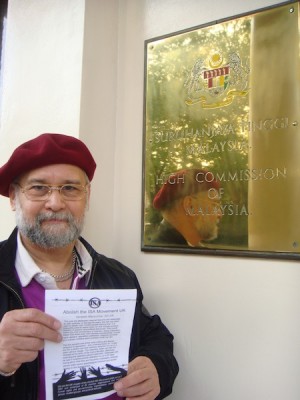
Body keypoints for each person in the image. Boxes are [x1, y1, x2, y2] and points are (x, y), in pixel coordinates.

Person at [0, 133, 179, 400]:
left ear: (87, 196)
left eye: (70, 188)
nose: (56, 203)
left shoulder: (118, 276)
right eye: (38, 188)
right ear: (14, 197)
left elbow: (154, 335)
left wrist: (157, 368)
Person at [151, 169, 222, 247]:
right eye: (214, 205)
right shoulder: (168, 254)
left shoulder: (165, 249)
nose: (220, 214)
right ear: (190, 206)